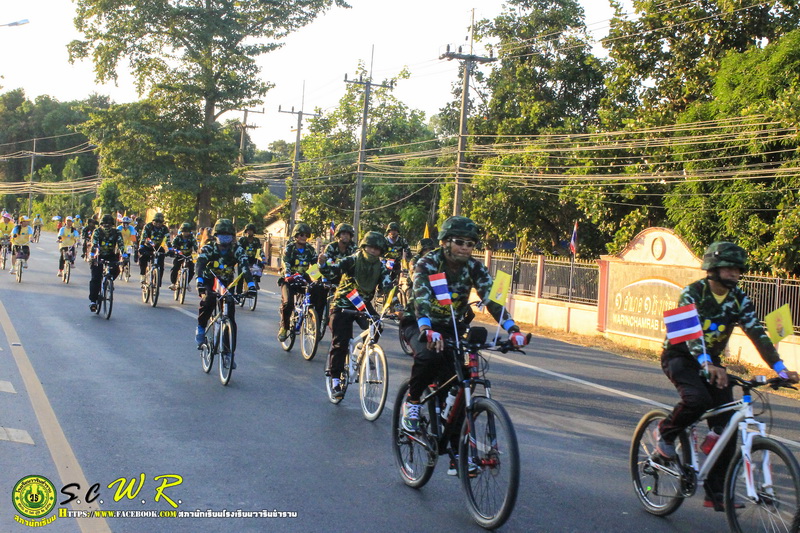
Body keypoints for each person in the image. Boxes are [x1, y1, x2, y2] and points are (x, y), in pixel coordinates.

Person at [654, 241, 799, 511]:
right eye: (729, 268)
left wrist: (780, 369)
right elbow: (691, 335)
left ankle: (716, 492)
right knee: (697, 400)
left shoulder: (739, 299)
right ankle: (665, 433)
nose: (735, 273)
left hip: (712, 363)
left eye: (738, 269)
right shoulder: (692, 293)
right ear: (713, 268)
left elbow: (757, 333)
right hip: (680, 356)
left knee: (729, 425)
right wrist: (707, 363)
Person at [401, 216, 528, 444]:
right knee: (429, 356)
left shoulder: (475, 267)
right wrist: (427, 328)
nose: (465, 248)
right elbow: (421, 298)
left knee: (459, 381)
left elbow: (493, 300)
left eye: (470, 244)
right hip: (419, 322)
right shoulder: (428, 263)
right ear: (445, 242)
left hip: (451, 326)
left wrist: (513, 329)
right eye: (460, 242)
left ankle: (456, 452)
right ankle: (412, 401)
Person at [318, 231, 393, 398]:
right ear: (364, 247)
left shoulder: (380, 267)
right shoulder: (351, 260)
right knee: (341, 342)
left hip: (362, 305)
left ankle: (362, 349)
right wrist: (322, 265)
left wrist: (396, 305)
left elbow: (388, 286)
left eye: (377, 249)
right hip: (342, 304)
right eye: (371, 247)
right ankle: (335, 380)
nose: (374, 251)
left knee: (377, 325)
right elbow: (333, 271)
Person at [195, 219, 256, 368]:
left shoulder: (237, 250)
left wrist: (251, 285)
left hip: (227, 284)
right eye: (221, 235)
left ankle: (228, 353)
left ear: (233, 236)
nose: (225, 238)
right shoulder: (209, 248)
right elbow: (200, 265)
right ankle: (201, 328)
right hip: (210, 282)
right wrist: (199, 281)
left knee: (230, 317)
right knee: (208, 300)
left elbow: (244, 268)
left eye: (228, 235)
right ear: (216, 235)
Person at [278, 222, 325, 342]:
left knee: (319, 292)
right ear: (296, 235)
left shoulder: (310, 249)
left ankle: (315, 323)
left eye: (306, 235)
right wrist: (287, 274)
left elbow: (314, 266)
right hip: (289, 279)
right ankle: (284, 327)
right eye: (301, 235)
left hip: (303, 278)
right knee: (288, 303)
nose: (304, 237)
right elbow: (286, 262)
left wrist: (318, 279)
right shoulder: (289, 248)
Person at [88, 214, 126, 312]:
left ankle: (109, 281)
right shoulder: (97, 231)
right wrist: (92, 256)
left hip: (111, 255)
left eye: (109, 224)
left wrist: (124, 256)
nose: (106, 226)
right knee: (95, 278)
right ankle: (93, 301)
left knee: (117, 269)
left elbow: (121, 245)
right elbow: (94, 244)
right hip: (98, 255)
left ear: (112, 225)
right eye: (104, 224)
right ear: (101, 224)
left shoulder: (117, 232)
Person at [139, 212, 170, 285]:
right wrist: (141, 246)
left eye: (160, 222)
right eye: (156, 221)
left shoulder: (165, 228)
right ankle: (143, 275)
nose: (158, 223)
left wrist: (171, 249)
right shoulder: (148, 226)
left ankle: (158, 281)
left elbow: (167, 240)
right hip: (148, 246)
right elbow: (143, 237)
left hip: (158, 247)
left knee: (161, 264)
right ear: (153, 221)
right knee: (143, 258)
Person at [169, 222, 198, 290]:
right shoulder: (178, 238)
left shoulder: (192, 238)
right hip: (179, 255)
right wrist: (174, 251)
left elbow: (195, 246)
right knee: (175, 268)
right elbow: (173, 245)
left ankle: (187, 283)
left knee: (192, 270)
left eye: (187, 231)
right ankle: (173, 283)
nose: (186, 233)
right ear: (181, 231)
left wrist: (196, 252)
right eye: (184, 231)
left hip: (189, 256)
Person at [236, 223, 265, 292]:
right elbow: (238, 249)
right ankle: (239, 293)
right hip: (243, 260)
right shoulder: (242, 240)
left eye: (251, 230)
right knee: (240, 277)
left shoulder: (256, 240)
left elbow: (259, 250)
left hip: (253, 260)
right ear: (246, 231)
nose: (249, 232)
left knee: (260, 266)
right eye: (248, 230)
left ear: (254, 231)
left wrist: (263, 257)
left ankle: (256, 281)